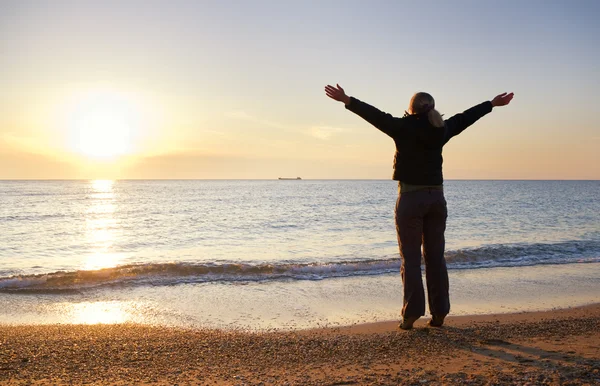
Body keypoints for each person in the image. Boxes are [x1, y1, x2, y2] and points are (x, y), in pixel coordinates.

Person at [325, 84, 514, 329]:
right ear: (432, 108)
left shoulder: (402, 127)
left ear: (410, 109)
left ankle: (411, 314)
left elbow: (375, 115)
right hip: (437, 199)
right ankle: (439, 314)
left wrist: (347, 100)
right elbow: (465, 117)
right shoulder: (441, 128)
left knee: (412, 259)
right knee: (436, 258)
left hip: (411, 200)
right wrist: (491, 104)